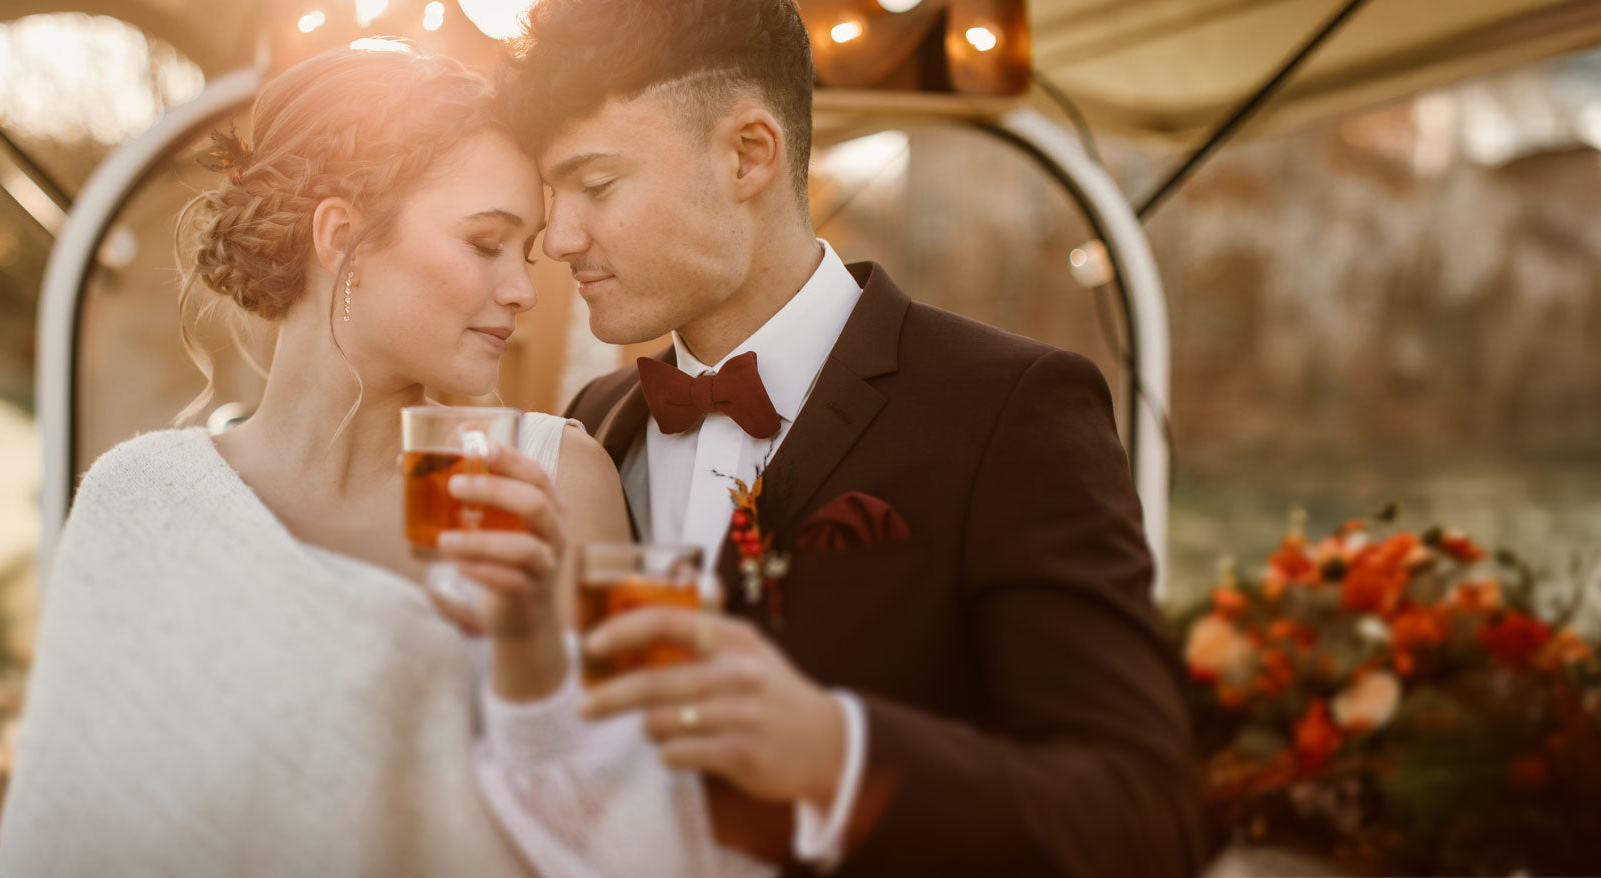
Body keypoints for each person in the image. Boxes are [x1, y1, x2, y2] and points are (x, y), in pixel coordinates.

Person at [491, 1, 1210, 875]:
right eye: (549, 198)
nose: (557, 240)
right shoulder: (597, 427)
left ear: (749, 153)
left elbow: (1144, 815)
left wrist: (841, 754)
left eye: (596, 187)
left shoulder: (1008, 408)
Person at [0, 43, 698, 875]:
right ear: (341, 236)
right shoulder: (133, 503)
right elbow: (68, 837)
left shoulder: (570, 478)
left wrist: (534, 653)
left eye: (528, 252)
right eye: (484, 244)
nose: (524, 291)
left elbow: (672, 826)